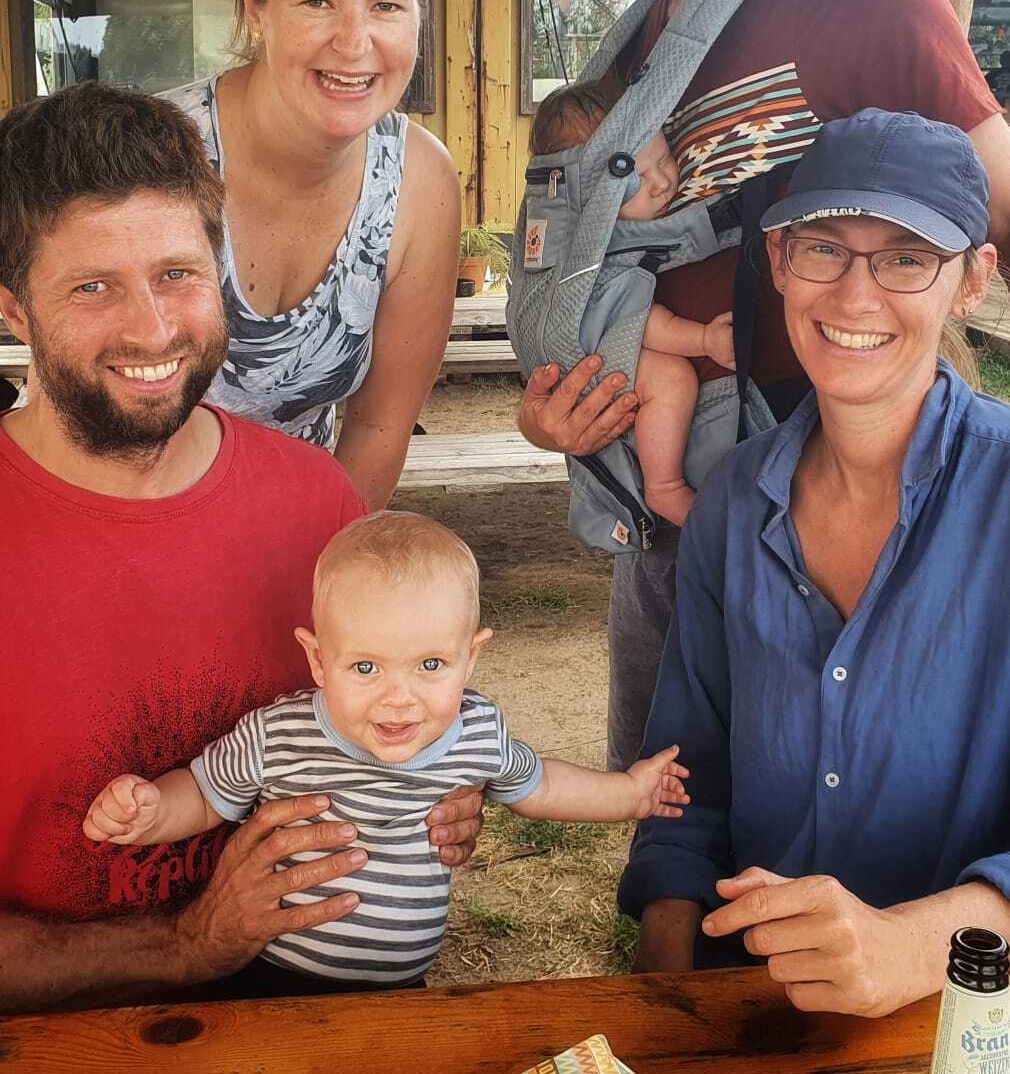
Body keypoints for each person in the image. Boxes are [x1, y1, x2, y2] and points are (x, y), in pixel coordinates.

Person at [517, 0, 1010, 771]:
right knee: (667, 819)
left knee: (839, 826)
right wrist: (558, 411)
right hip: (669, 527)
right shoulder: (638, 44)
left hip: (837, 520)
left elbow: (996, 199)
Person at [0, 83, 481, 1015]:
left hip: (303, 1015)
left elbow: (375, 726)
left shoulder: (317, 508)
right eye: (93, 287)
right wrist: (186, 943)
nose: (152, 329)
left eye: (178, 274)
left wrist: (431, 782)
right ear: (15, 310)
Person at [619, 108, 1010, 1019]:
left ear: (972, 281)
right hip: (748, 1006)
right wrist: (664, 984)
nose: (855, 297)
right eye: (824, 249)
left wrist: (918, 942)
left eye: (906, 258)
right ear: (779, 261)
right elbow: (686, 777)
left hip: (968, 1019)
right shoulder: (730, 502)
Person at [84, 510, 689, 992]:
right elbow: (203, 795)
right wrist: (149, 812)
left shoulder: (476, 732)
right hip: (272, 977)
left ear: (471, 658)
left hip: (403, 985)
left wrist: (629, 793)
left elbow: (544, 787)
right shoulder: (280, 733)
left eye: (430, 665)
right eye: (366, 667)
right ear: (318, 659)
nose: (399, 699)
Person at [164, 0, 460, 508]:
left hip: (301, 521)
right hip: (123, 519)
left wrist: (322, 558)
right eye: (318, 2)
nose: (354, 43)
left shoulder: (419, 181)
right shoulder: (153, 153)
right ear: (255, 4)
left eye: (386, 5)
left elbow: (379, 428)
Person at [530, 83, 734, 525]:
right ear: (590, 195)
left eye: (665, 159)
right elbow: (636, 319)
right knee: (672, 379)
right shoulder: (590, 248)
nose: (662, 183)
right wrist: (704, 339)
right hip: (591, 357)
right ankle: (665, 487)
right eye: (637, 180)